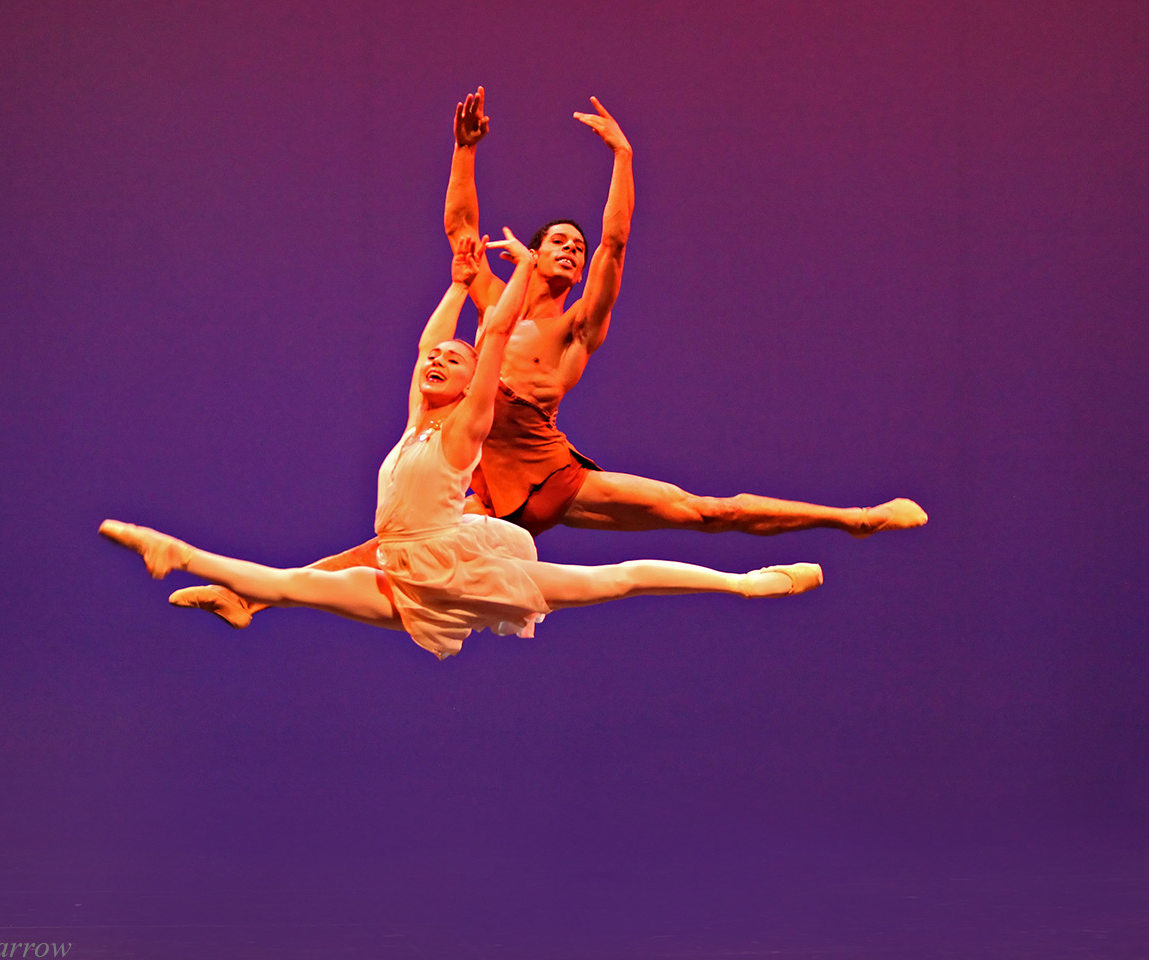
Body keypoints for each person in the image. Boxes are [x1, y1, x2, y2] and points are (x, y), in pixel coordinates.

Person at [168, 89, 924, 629]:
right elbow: (461, 229)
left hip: (548, 468)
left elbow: (618, 243)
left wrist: (624, 158)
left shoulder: (575, 330)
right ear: (536, 249)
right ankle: (251, 599)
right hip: (480, 476)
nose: (571, 249)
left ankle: (853, 519)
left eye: (577, 245)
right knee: (387, 551)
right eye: (559, 240)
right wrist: (465, 151)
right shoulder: (499, 295)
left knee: (702, 511)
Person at [102, 233, 821, 659]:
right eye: (433, 361)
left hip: (456, 561)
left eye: (454, 357)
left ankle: (751, 583)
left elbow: (497, 335)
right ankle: (210, 579)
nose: (437, 361)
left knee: (619, 577)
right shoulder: (418, 419)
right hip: (404, 564)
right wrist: (453, 287)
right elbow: (425, 345)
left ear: (475, 376)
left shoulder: (464, 427)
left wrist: (528, 276)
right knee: (293, 585)